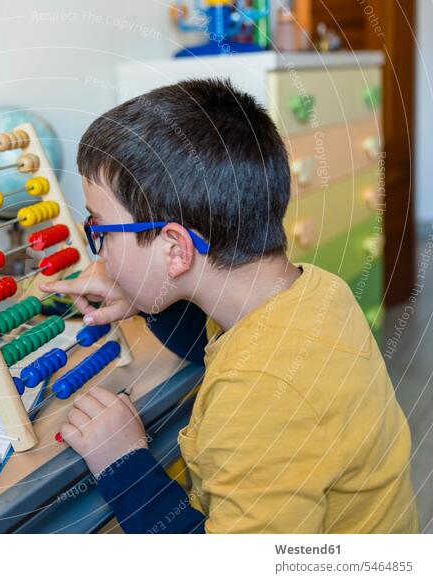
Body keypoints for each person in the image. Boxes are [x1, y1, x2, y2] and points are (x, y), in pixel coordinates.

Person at [40, 79, 418, 534]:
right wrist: (146, 297)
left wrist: (123, 463)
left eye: (100, 231)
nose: (100, 254)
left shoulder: (256, 398)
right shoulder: (316, 293)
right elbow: (216, 342)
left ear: (176, 249)